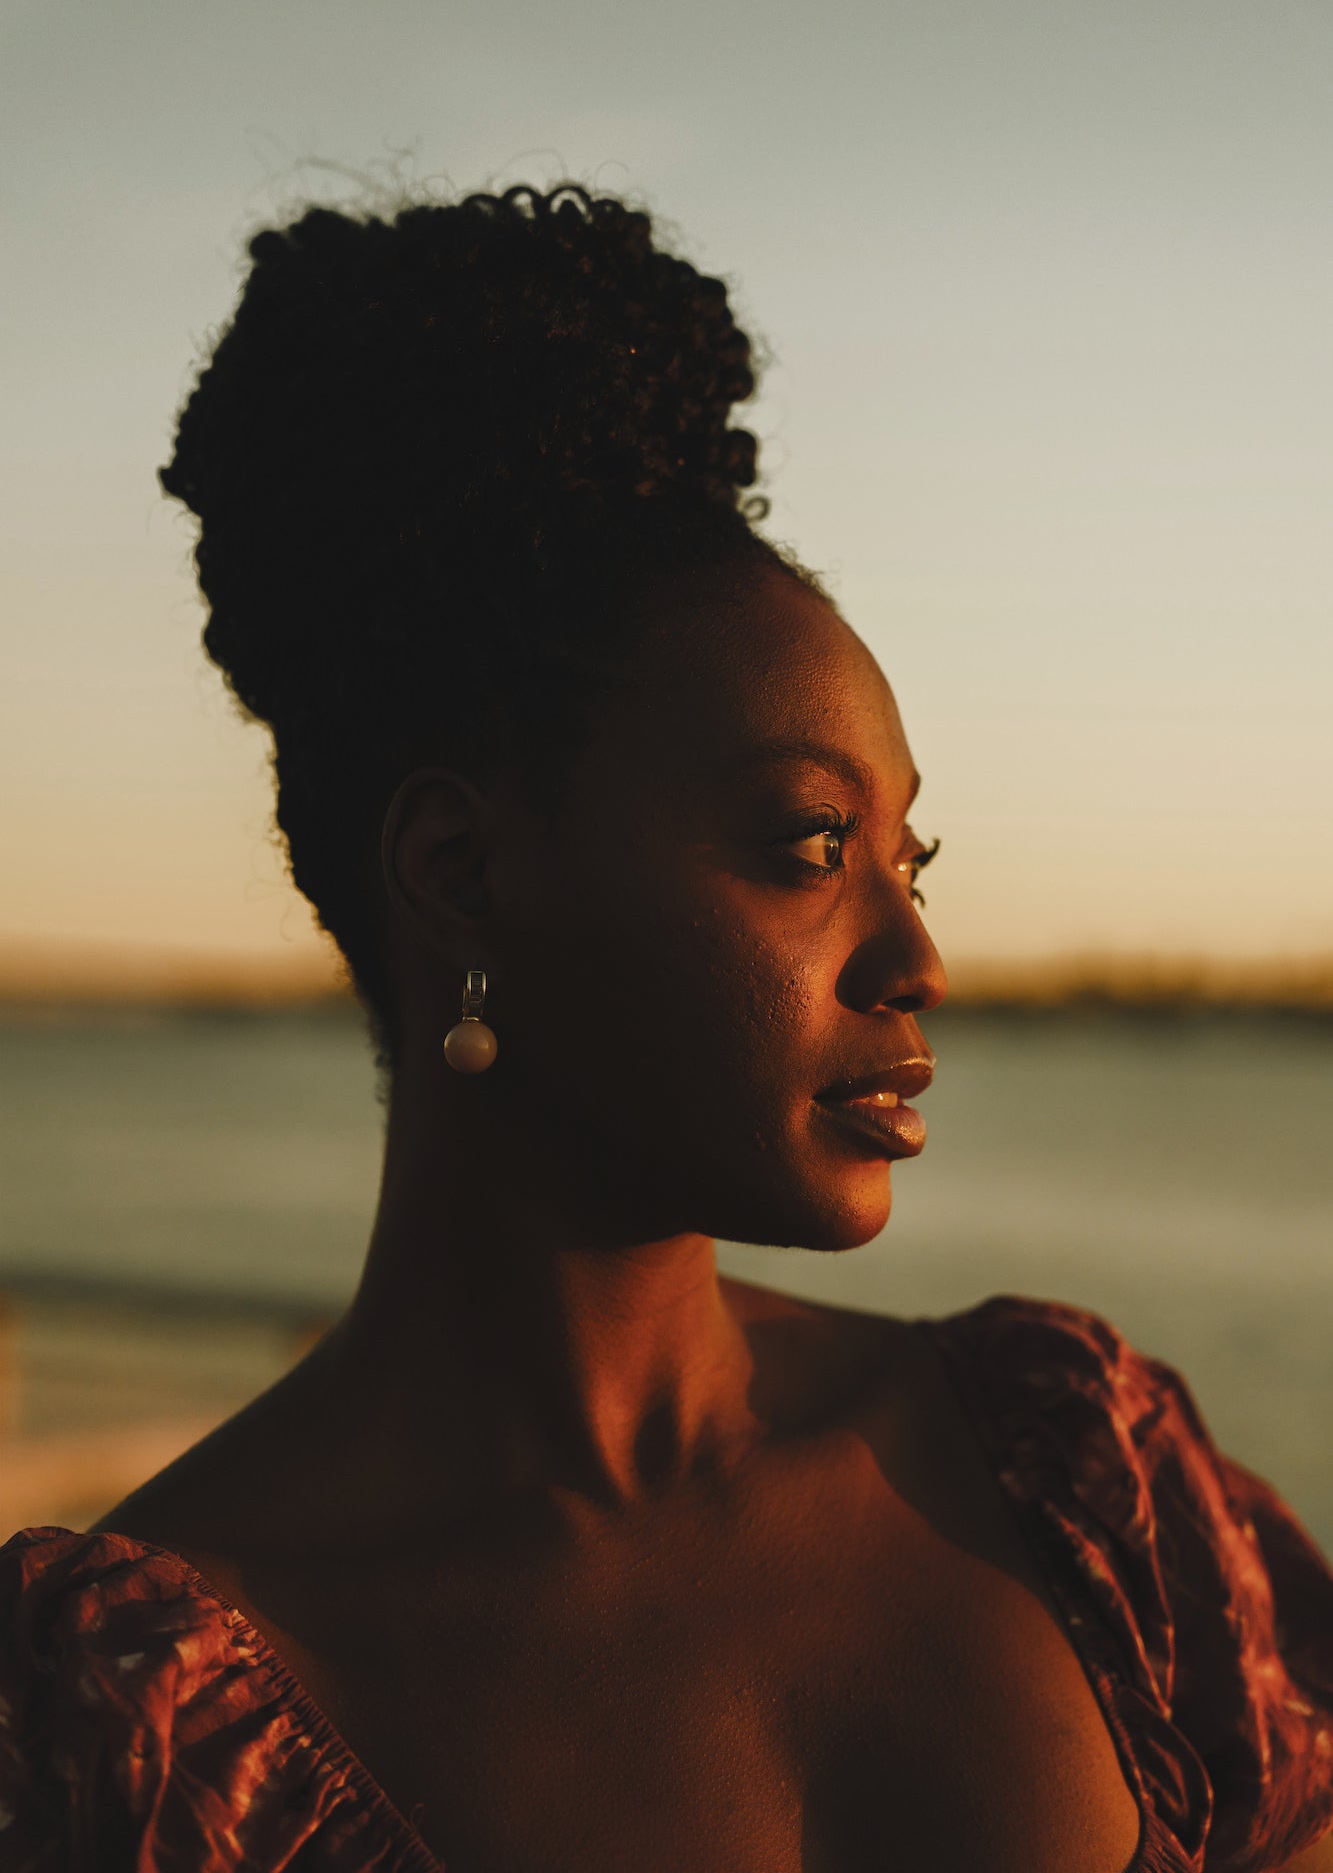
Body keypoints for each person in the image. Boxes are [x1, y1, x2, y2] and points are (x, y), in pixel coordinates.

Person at [1, 182, 1329, 1873]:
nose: (914, 955)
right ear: (462, 870)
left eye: (907, 857)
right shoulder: (144, 1741)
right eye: (805, 850)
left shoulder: (1084, 1482)